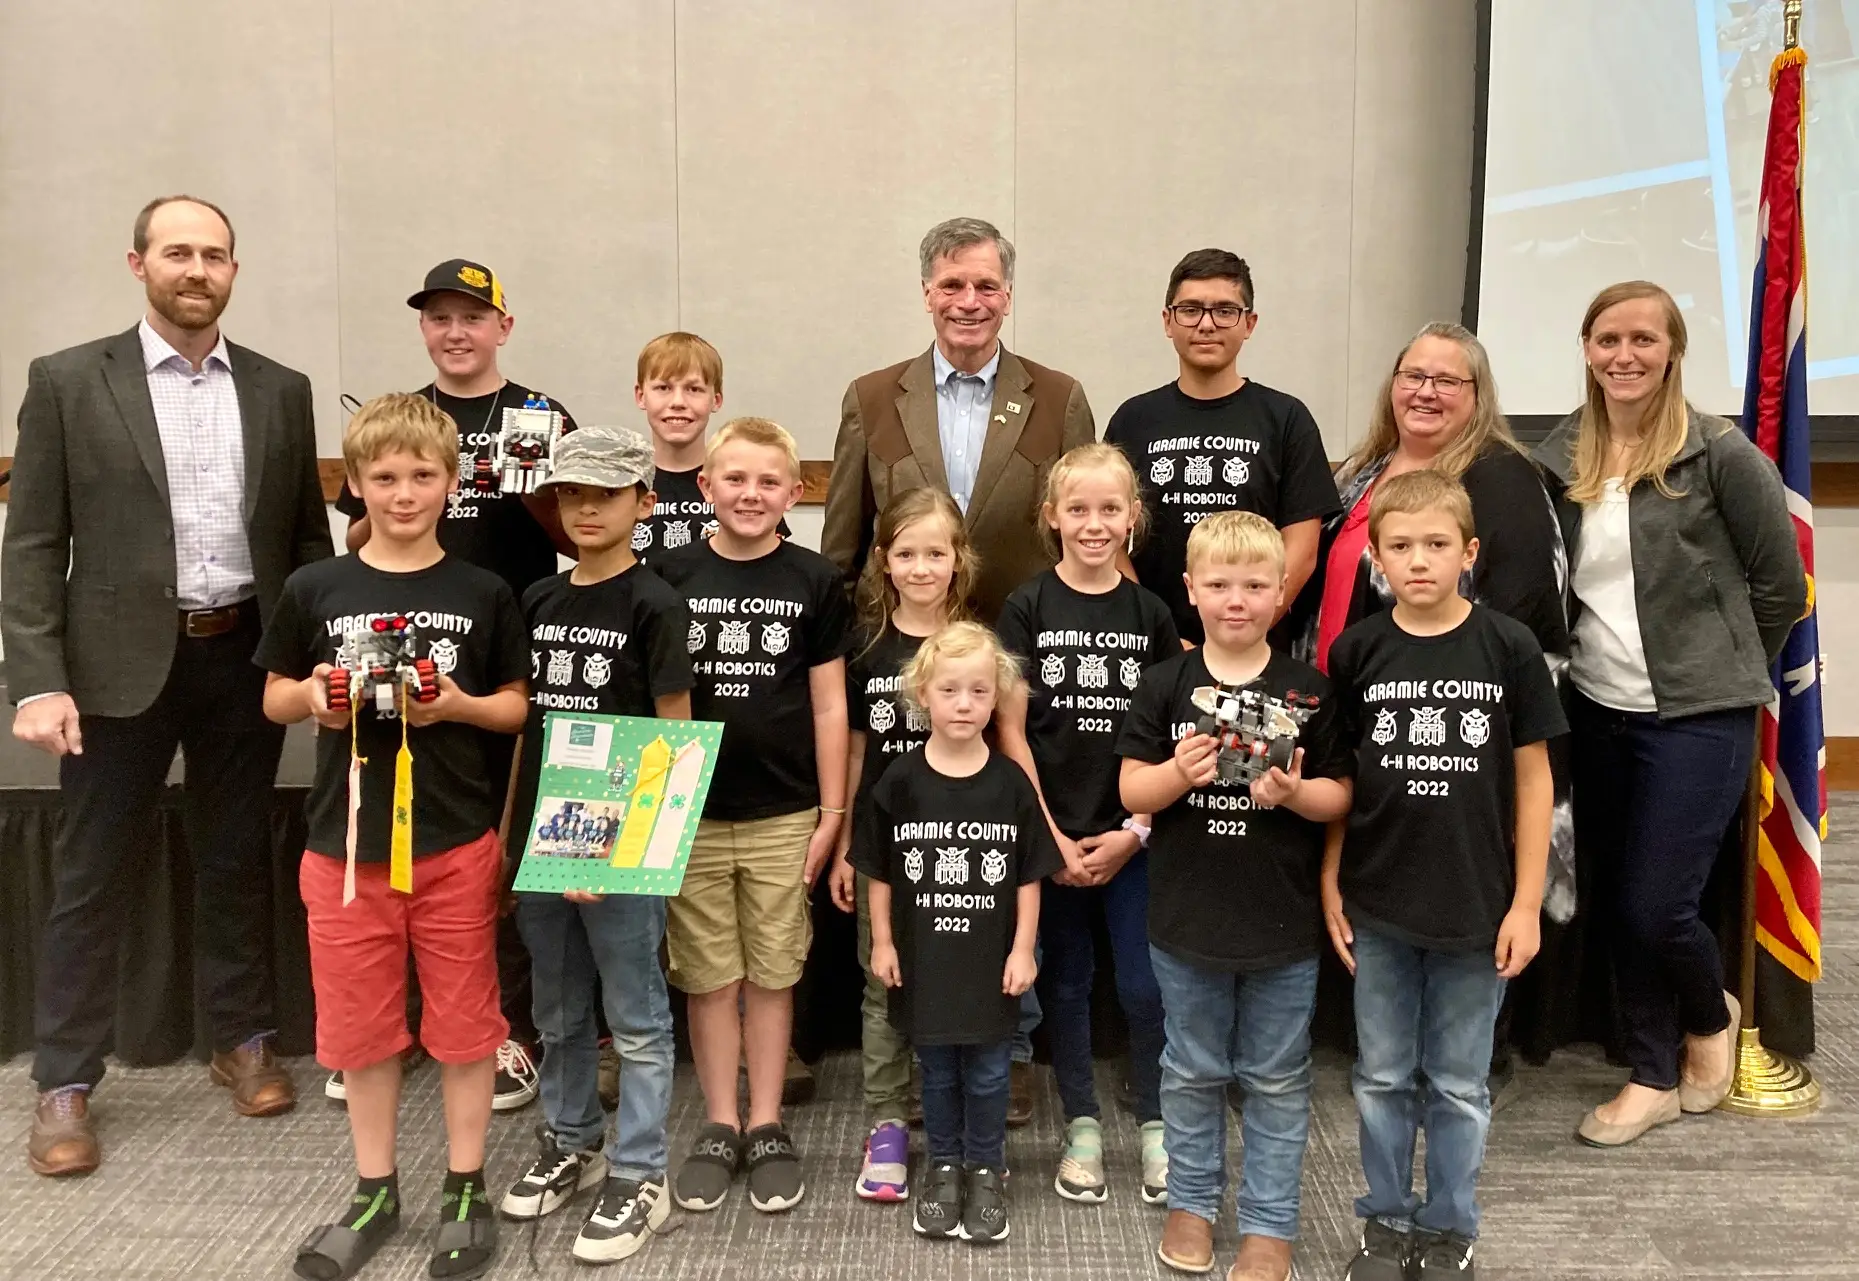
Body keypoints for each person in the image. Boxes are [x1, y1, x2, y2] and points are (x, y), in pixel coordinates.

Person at [5, 195, 332, 1177]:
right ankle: (65, 1080)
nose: (197, 269)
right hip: (112, 672)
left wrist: (310, 654)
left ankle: (241, 1039)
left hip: (243, 658)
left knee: (234, 856)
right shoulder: (67, 382)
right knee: (92, 875)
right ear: (138, 262)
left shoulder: (281, 388)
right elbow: (30, 548)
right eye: (178, 252)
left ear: (235, 271)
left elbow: (307, 541)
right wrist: (38, 681)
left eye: (215, 255)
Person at [257, 393, 529, 1281]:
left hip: (452, 842)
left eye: (422, 476)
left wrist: (452, 703)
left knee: (461, 1027)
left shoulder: (482, 591)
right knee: (361, 1034)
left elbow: (515, 707)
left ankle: (464, 1182)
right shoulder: (316, 588)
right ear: (357, 486)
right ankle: (375, 1185)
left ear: (451, 483)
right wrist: (315, 700)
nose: (404, 493)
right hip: (343, 850)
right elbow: (274, 695)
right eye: (384, 478)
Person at [1531, 281, 1806, 1148]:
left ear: (1672, 349)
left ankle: (1700, 1018)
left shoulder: (1718, 453)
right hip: (1597, 708)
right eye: (1607, 337)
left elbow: (1777, 586)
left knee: (1659, 904)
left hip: (1698, 715)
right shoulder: (1559, 458)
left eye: (1643, 339)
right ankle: (1653, 1063)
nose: (1624, 354)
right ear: (1584, 348)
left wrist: (1722, 667)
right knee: (1615, 898)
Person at [1291, 321, 1571, 1100]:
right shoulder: (1362, 471)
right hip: (1355, 702)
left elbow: (1523, 625)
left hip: (1457, 733)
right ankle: (1379, 1045)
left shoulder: (1500, 478)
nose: (1425, 391)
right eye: (1412, 374)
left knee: (1456, 903)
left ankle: (1469, 1058)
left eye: (1448, 380)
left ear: (1477, 396)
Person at [332, 258, 575, 1111]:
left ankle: (502, 1030)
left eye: (472, 316)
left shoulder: (539, 416)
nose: (456, 331)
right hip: (401, 643)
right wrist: (406, 494)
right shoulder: (398, 418)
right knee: (395, 833)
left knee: (490, 844)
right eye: (439, 317)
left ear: (503, 326)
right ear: (424, 330)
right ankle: (379, 1030)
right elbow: (354, 534)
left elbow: (578, 534)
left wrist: (528, 481)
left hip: (503, 644)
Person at [1324, 470, 1564, 1281]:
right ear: (1376, 561)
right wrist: (1331, 883)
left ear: (1468, 553)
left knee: (1458, 1084)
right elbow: (1341, 781)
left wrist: (1526, 901)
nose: (1416, 561)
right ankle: (1386, 1220)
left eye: (1435, 545)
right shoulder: (1356, 651)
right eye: (1399, 546)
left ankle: (1449, 1225)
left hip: (1475, 903)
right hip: (1379, 900)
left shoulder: (1507, 646)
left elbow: (1535, 782)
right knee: (1382, 1076)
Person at [1118, 512, 1350, 1281]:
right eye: (1218, 585)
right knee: (1188, 1069)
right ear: (1189, 589)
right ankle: (1190, 1201)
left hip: (1280, 925)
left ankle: (1269, 1224)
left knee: (1278, 1077)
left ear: (1283, 591)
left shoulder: (1308, 690)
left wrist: (1292, 793)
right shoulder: (1166, 684)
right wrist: (1176, 777)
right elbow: (1130, 788)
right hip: (1185, 921)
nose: (1236, 600)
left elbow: (1339, 796)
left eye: (1255, 585)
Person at [494, 426, 691, 1264]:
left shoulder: (656, 603)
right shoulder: (537, 598)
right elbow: (528, 734)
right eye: (571, 495)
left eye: (603, 495)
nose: (584, 509)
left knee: (636, 1014)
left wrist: (605, 850)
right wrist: (510, 841)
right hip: (542, 833)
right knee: (558, 1008)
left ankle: (642, 1169)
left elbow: (670, 737)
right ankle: (571, 1136)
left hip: (621, 842)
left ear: (642, 504)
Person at [652, 418, 853, 1215]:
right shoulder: (665, 576)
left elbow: (830, 702)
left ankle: (765, 1120)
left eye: (769, 481)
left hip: (785, 809)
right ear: (704, 485)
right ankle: (718, 1120)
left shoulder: (813, 579)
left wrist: (831, 810)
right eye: (733, 478)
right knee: (708, 975)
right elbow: (651, 697)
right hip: (690, 811)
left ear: (794, 494)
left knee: (773, 970)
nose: (750, 493)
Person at [994, 444, 1179, 1206]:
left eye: (1110, 509)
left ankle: (1160, 1124)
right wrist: (1050, 837)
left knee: (1142, 986)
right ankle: (1081, 1124)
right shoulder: (1026, 605)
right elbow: (1008, 733)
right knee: (1066, 987)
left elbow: (1175, 732)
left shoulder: (1152, 613)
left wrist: (1135, 827)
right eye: (1078, 509)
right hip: (1054, 839)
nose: (1094, 524)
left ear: (1133, 517)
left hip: (1132, 837)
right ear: (1051, 517)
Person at [855, 622, 1061, 1246]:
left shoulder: (1010, 783)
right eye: (950, 691)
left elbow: (1029, 875)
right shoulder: (899, 781)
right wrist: (884, 942)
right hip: (926, 962)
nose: (965, 704)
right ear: (922, 694)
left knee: (991, 1074)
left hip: (991, 963)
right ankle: (943, 1166)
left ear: (996, 698)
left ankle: (984, 1166)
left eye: (978, 691)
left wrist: (1025, 947)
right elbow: (880, 872)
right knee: (936, 1072)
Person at [821, 216, 1097, 623]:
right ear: (926, 294)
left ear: (1007, 296)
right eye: (952, 285)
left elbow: (1081, 538)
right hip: (895, 644)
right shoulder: (870, 400)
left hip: (1022, 641)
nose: (969, 302)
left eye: (986, 286)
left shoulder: (1060, 399)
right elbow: (842, 551)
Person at [826, 487, 976, 1201]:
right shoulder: (864, 649)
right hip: (886, 847)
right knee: (881, 978)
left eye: (936, 553)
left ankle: (948, 1114)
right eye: (906, 553)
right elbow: (855, 756)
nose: (921, 567)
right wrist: (847, 845)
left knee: (953, 976)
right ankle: (886, 1119)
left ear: (958, 560)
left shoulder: (975, 645)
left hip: (965, 846)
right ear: (883, 561)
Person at [1105, 249, 1340, 644]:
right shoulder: (1133, 419)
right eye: (1191, 309)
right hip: (1156, 654)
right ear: (1168, 321)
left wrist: (1241, 632)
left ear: (1249, 323)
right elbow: (1108, 538)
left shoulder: (1287, 419)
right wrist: (1157, 636)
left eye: (1225, 311)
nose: (1207, 324)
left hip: (1256, 650)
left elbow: (1301, 551)